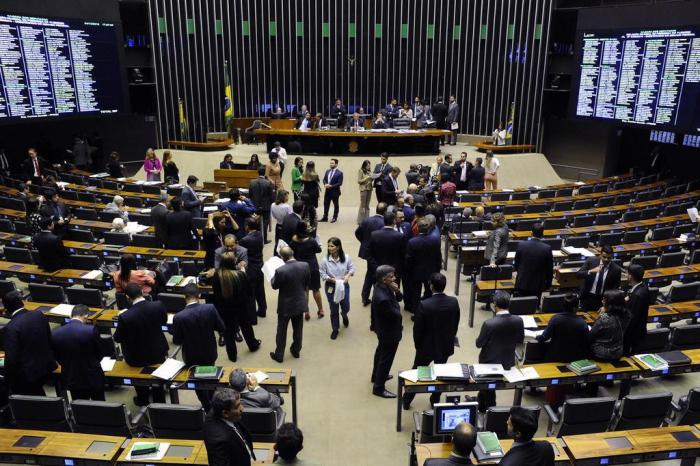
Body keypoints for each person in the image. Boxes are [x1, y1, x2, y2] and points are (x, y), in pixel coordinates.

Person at [403, 273, 460, 409]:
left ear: (431, 286)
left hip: (426, 348)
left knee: (418, 372)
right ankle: (435, 399)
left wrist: (418, 346)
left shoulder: (424, 304)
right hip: (444, 346)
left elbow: (418, 329)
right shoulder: (453, 302)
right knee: (440, 375)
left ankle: (407, 400)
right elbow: (455, 323)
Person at [172, 283, 226, 409]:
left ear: (184, 297)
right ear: (199, 295)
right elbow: (221, 327)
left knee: (197, 381)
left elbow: (177, 341)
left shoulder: (179, 317)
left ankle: (206, 405)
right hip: (210, 352)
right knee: (211, 376)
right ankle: (212, 399)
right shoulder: (210, 308)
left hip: (191, 356)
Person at [113, 283, 168, 406]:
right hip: (158, 352)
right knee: (157, 379)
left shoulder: (125, 316)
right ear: (142, 292)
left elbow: (117, 338)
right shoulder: (158, 305)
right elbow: (163, 321)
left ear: (127, 297)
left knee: (139, 383)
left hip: (136, 358)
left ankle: (143, 400)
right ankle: (160, 402)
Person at [536, 293, 589, 408]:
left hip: (554, 356)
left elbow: (544, 337)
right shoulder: (582, 323)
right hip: (574, 358)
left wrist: (537, 337)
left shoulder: (556, 319)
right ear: (576, 308)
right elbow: (585, 344)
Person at [475, 291, 524, 412]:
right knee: (485, 391)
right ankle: (480, 403)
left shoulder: (489, 324)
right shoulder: (519, 320)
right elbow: (520, 340)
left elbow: (478, 344)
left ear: (495, 305)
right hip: (508, 362)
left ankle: (489, 410)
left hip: (489, 364)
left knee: (488, 390)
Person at [2, 290, 57, 395]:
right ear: (22, 302)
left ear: (6, 308)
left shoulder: (11, 327)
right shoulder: (38, 314)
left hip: (28, 375)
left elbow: (12, 359)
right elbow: (49, 338)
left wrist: (7, 380)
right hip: (47, 365)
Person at [213, 252, 260, 362]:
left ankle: (232, 355)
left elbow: (216, 294)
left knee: (228, 332)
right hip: (241, 307)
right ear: (232, 263)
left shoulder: (217, 276)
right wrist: (244, 273)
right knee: (246, 327)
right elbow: (249, 292)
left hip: (224, 310)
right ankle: (253, 345)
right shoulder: (241, 275)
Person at [51, 304, 105, 401]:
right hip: (92, 376)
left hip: (72, 377)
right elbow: (100, 354)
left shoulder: (55, 333)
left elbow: (58, 357)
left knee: (80, 407)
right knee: (100, 405)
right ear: (86, 316)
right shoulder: (91, 330)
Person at [270, 247, 310, 363]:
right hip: (299, 302)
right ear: (292, 253)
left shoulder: (280, 271)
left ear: (282, 257)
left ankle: (279, 354)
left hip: (285, 305)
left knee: (281, 330)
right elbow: (307, 282)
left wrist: (273, 275)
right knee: (298, 329)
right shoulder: (305, 265)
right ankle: (296, 350)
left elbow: (275, 286)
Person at [371, 265, 403, 398]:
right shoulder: (383, 298)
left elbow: (399, 299)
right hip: (388, 331)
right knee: (386, 359)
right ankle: (379, 387)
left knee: (380, 352)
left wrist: (397, 291)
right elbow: (396, 314)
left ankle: (376, 375)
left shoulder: (381, 286)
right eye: (391, 276)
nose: (394, 278)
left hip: (382, 328)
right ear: (384, 279)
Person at [203, 388, 256, 466]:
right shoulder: (219, 441)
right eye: (237, 407)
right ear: (225, 413)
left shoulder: (217, 409)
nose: (242, 409)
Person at [404, 219, 443, 313]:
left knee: (416, 294)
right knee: (429, 292)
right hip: (431, 272)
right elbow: (439, 257)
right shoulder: (435, 240)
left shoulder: (412, 242)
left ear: (417, 228)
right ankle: (428, 311)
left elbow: (408, 260)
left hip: (415, 273)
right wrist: (437, 271)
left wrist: (408, 272)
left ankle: (416, 313)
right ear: (429, 228)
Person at [320, 237, 355, 339]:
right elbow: (322, 273)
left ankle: (344, 315)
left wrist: (347, 276)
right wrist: (331, 279)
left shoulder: (347, 258)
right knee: (333, 309)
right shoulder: (325, 260)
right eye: (329, 246)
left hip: (344, 285)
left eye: (332, 246)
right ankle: (335, 329)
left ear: (338, 247)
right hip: (331, 286)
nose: (329, 248)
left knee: (346, 306)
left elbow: (352, 268)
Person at [355, 202, 387, 306]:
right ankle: (376, 296)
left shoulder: (366, 220)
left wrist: (364, 242)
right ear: (385, 212)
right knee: (377, 274)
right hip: (379, 253)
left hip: (367, 252)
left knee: (370, 273)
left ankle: (365, 297)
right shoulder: (384, 223)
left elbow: (357, 232)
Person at [290, 221, 324, 320]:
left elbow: (291, 251)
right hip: (313, 267)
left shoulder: (293, 241)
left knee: (305, 290)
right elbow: (318, 250)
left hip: (300, 267)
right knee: (316, 289)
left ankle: (306, 311)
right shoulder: (312, 240)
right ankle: (320, 309)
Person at [513, 222, 553, 302]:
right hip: (538, 285)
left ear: (531, 233)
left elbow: (516, 265)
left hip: (522, 282)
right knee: (534, 307)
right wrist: (548, 284)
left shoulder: (521, 245)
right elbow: (549, 269)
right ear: (542, 234)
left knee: (519, 305)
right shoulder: (547, 248)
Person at [576, 244, 622, 311]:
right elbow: (578, 275)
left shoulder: (616, 269)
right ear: (600, 255)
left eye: (609, 258)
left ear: (612, 256)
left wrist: (607, 305)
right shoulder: (591, 261)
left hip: (602, 301)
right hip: (587, 297)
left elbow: (615, 289)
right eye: (604, 257)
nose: (606, 260)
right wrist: (590, 271)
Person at [368, 212, 406, 292]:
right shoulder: (400, 236)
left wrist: (375, 267)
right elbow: (403, 255)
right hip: (394, 271)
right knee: (393, 291)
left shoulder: (374, 234)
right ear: (394, 221)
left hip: (378, 270)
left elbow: (369, 254)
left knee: (379, 291)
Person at [589, 289, 630, 362]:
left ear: (609, 303)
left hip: (601, 353)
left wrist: (601, 315)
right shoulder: (627, 315)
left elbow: (591, 336)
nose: (602, 301)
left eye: (604, 300)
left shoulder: (604, 318)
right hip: (618, 352)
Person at [239, 217, 267, 317]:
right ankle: (262, 310)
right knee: (260, 290)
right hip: (260, 265)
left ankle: (251, 314)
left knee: (251, 292)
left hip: (250, 268)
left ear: (247, 227)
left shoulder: (244, 240)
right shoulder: (260, 235)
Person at [623, 264, 650, 356]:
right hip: (638, 331)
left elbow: (632, 318)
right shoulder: (643, 287)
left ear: (630, 276)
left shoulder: (637, 295)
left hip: (633, 335)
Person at [249, 166, 275, 243]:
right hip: (266, 206)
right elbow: (272, 196)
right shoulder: (268, 183)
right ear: (265, 173)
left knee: (255, 221)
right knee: (265, 223)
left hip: (254, 206)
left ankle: (255, 238)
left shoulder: (252, 182)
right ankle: (264, 239)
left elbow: (250, 195)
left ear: (258, 172)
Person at [320, 159, 343, 223]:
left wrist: (331, 186)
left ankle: (334, 217)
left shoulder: (340, 173)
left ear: (336, 164)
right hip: (327, 191)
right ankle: (325, 217)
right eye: (330, 163)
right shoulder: (327, 171)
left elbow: (340, 183)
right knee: (326, 204)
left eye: (332, 163)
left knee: (336, 205)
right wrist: (325, 184)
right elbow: (324, 179)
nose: (331, 164)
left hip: (335, 192)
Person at [300, 161, 320, 227]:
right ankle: (312, 224)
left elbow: (302, 183)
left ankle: (302, 223)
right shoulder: (315, 175)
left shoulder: (303, 175)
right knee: (312, 210)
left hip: (305, 193)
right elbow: (317, 183)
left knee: (304, 208)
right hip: (313, 194)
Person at [357, 159, 373, 224]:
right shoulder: (361, 171)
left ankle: (367, 219)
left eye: (369, 165)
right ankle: (360, 221)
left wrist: (372, 178)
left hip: (369, 189)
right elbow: (359, 181)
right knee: (363, 205)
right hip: (363, 189)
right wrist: (366, 178)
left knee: (367, 205)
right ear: (364, 165)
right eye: (367, 166)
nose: (369, 167)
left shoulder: (369, 172)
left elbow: (371, 180)